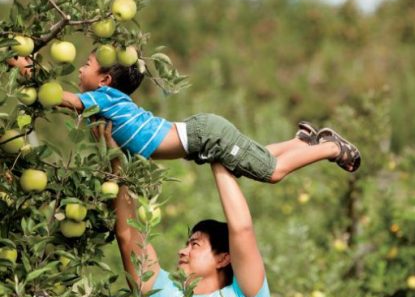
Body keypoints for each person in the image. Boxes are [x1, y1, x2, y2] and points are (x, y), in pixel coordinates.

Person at [9, 54, 361, 183]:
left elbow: (61, 99)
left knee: (272, 172)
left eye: (86, 65)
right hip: (203, 134)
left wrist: (26, 67)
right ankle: (302, 142)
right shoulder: (107, 101)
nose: (80, 68)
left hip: (205, 135)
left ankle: (330, 148)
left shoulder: (101, 99)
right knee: (250, 159)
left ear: (104, 80)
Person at [95, 122, 271, 297]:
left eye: (195, 244)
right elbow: (128, 236)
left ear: (223, 258)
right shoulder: (163, 293)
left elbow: (242, 230)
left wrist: (215, 154)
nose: (182, 251)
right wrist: (116, 162)